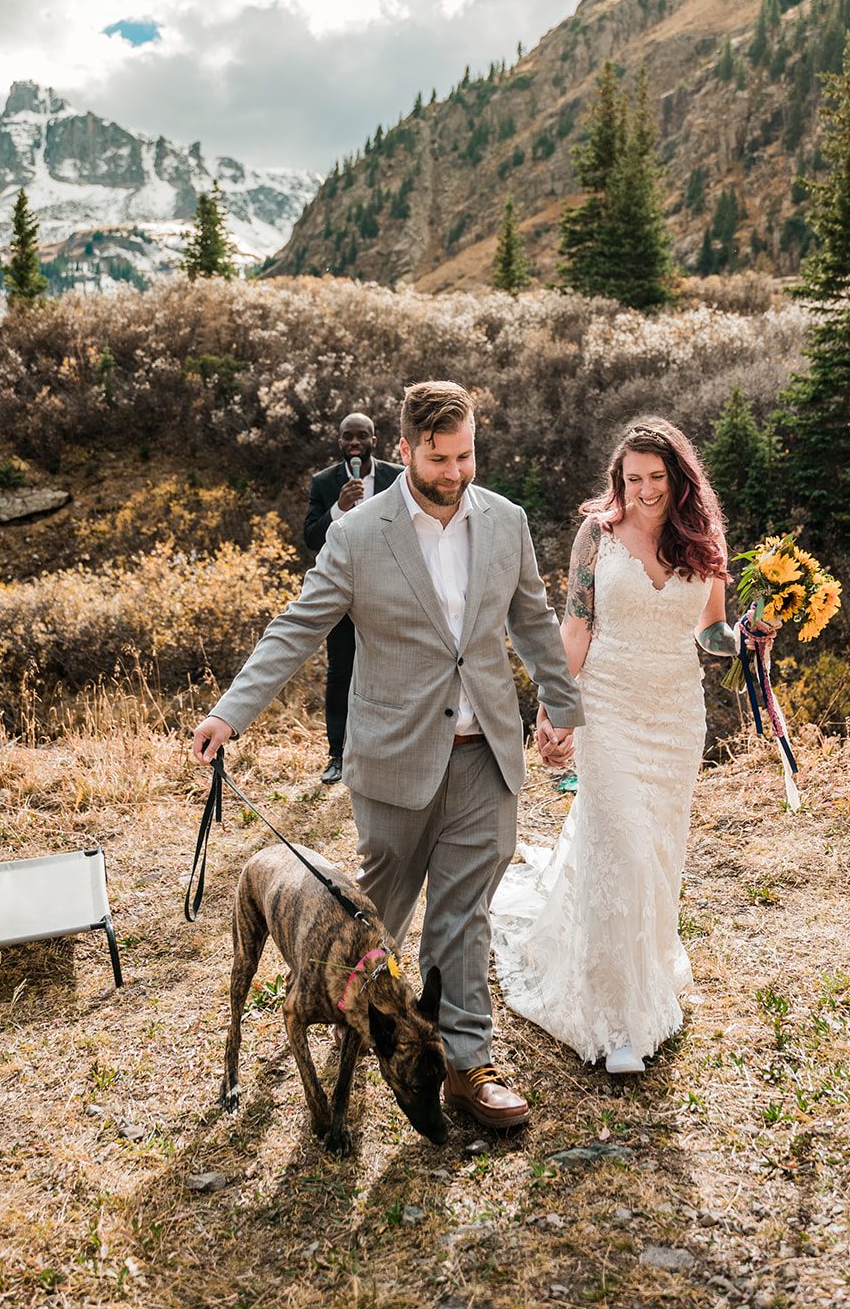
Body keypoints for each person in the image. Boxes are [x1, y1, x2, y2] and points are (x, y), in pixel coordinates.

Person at [193, 380, 583, 1128]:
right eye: (439, 459)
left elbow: (532, 618)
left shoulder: (506, 521)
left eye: (466, 455)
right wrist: (230, 712)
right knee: (379, 913)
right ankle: (350, 1025)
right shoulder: (359, 533)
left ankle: (469, 1064)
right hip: (394, 757)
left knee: (463, 916)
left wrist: (563, 708)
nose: (455, 473)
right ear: (405, 451)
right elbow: (298, 626)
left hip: (486, 753)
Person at [490, 416, 769, 1075]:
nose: (642, 491)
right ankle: (616, 1021)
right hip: (608, 709)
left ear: (679, 478)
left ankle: (644, 970)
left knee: (655, 853)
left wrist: (753, 633)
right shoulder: (597, 535)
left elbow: (711, 636)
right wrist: (557, 708)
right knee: (621, 846)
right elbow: (578, 623)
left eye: (654, 478)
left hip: (675, 717)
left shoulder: (705, 542)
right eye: (631, 478)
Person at [304, 411, 402, 785]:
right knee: (341, 672)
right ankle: (337, 755)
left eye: (362, 436)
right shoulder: (325, 482)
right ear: (339, 441)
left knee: (392, 671)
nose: (355, 444)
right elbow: (312, 537)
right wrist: (338, 508)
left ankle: (386, 753)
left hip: (390, 589)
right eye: (348, 437)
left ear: (375, 439)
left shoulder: (398, 477)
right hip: (342, 592)